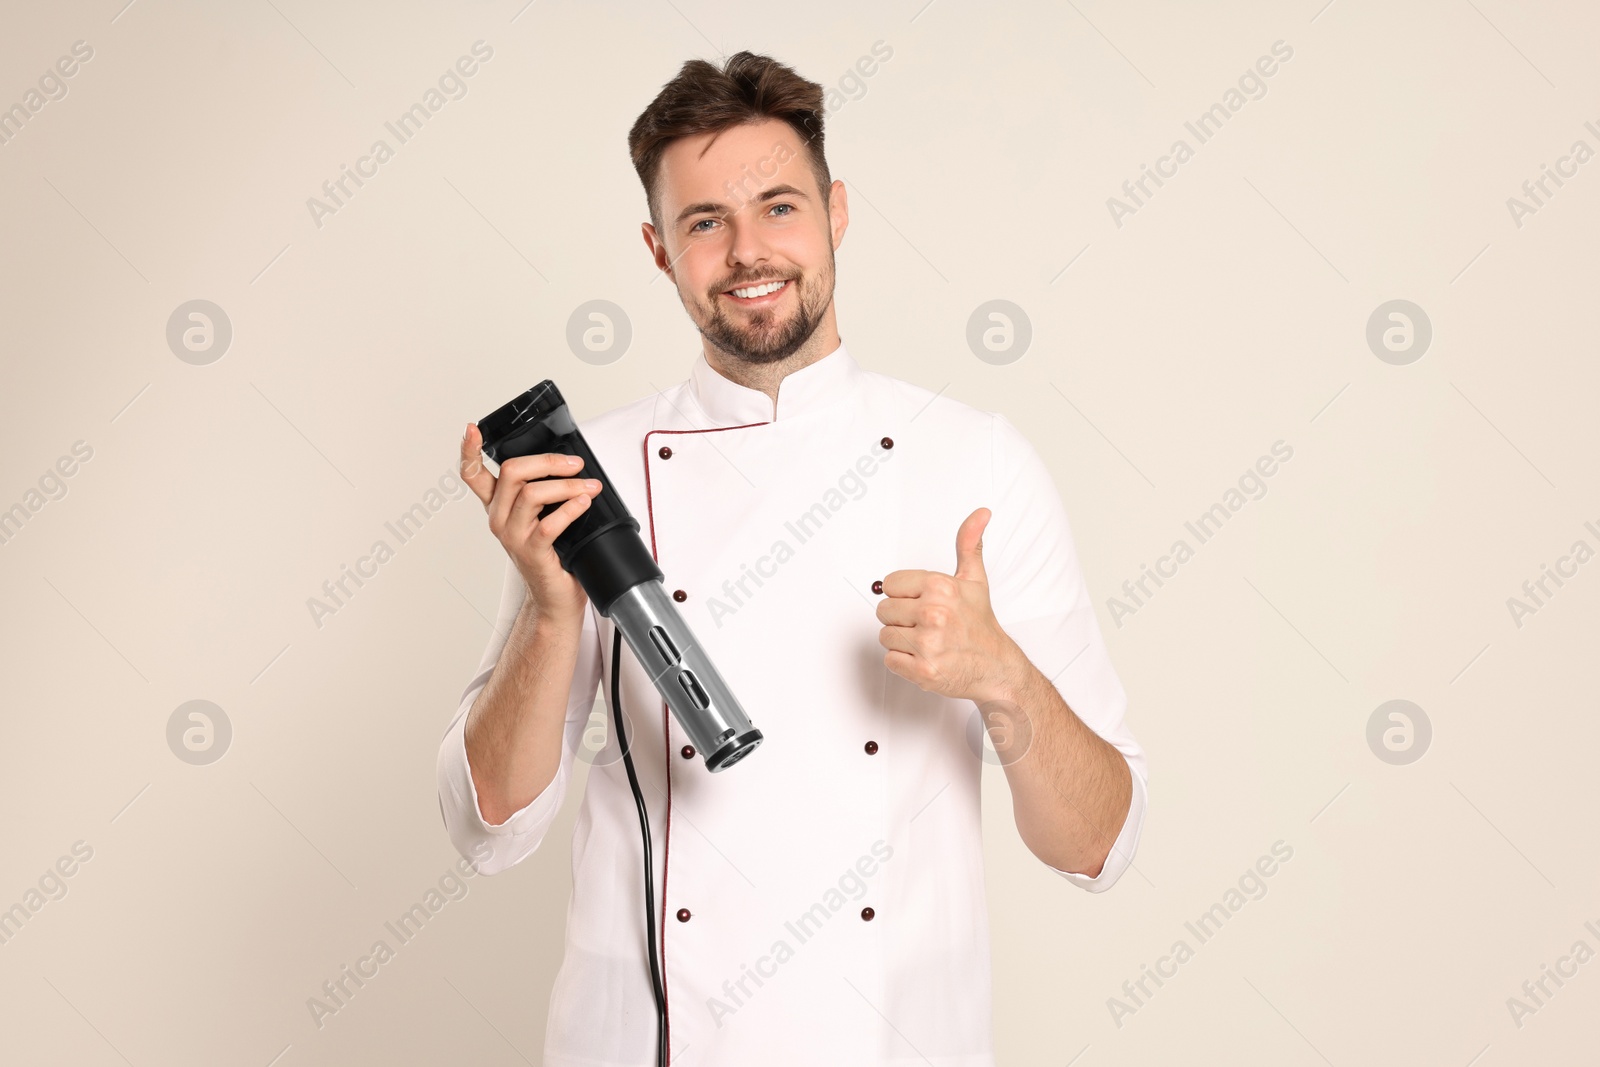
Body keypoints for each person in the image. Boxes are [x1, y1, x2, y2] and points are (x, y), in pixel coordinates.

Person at [438, 50, 1147, 1066]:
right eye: (703, 222)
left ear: (836, 212)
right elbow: (490, 825)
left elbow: (1098, 845)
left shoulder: (975, 460)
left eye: (778, 206)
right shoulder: (594, 480)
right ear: (658, 250)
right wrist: (553, 611)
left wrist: (1005, 681)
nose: (746, 251)